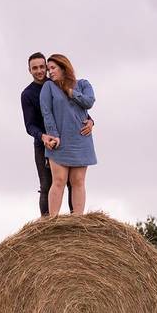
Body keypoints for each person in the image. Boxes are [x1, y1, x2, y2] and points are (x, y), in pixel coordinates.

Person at [21, 52, 93, 216]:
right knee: (47, 185)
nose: (40, 71)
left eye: (42, 67)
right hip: (44, 142)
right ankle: (48, 226)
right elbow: (30, 125)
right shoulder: (28, 94)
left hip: (66, 139)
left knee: (72, 183)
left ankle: (74, 221)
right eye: (35, 68)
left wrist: (90, 121)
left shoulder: (56, 82)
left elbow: (74, 110)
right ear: (29, 70)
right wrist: (44, 136)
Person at [40, 53, 96, 215]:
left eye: (53, 68)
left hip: (81, 139)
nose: (50, 72)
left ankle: (77, 221)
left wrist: (70, 91)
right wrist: (53, 135)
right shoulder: (48, 87)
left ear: (64, 68)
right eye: (49, 68)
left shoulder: (84, 84)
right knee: (58, 181)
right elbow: (47, 113)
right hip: (58, 141)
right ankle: (52, 221)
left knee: (78, 181)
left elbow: (89, 102)